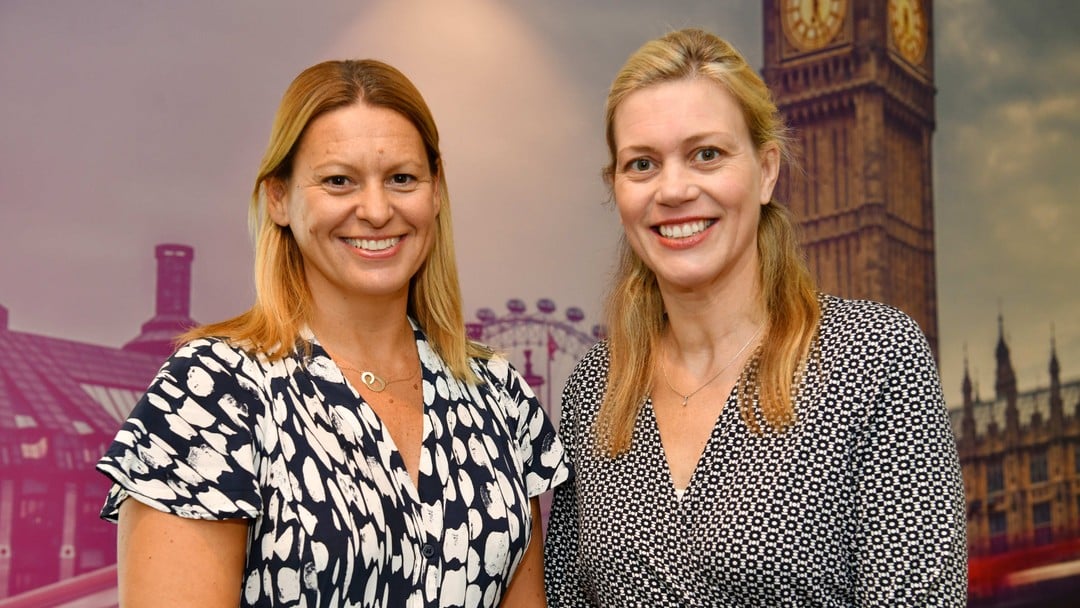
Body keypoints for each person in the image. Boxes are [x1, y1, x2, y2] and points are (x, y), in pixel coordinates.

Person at [96, 58, 569, 608]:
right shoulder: (212, 394)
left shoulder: (498, 395)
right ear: (278, 198)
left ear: (435, 191)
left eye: (401, 178)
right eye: (339, 180)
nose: (376, 210)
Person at [543, 28, 966, 606]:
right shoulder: (595, 389)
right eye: (642, 164)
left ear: (767, 171)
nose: (673, 189)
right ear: (617, 190)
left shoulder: (876, 359)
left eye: (707, 154)